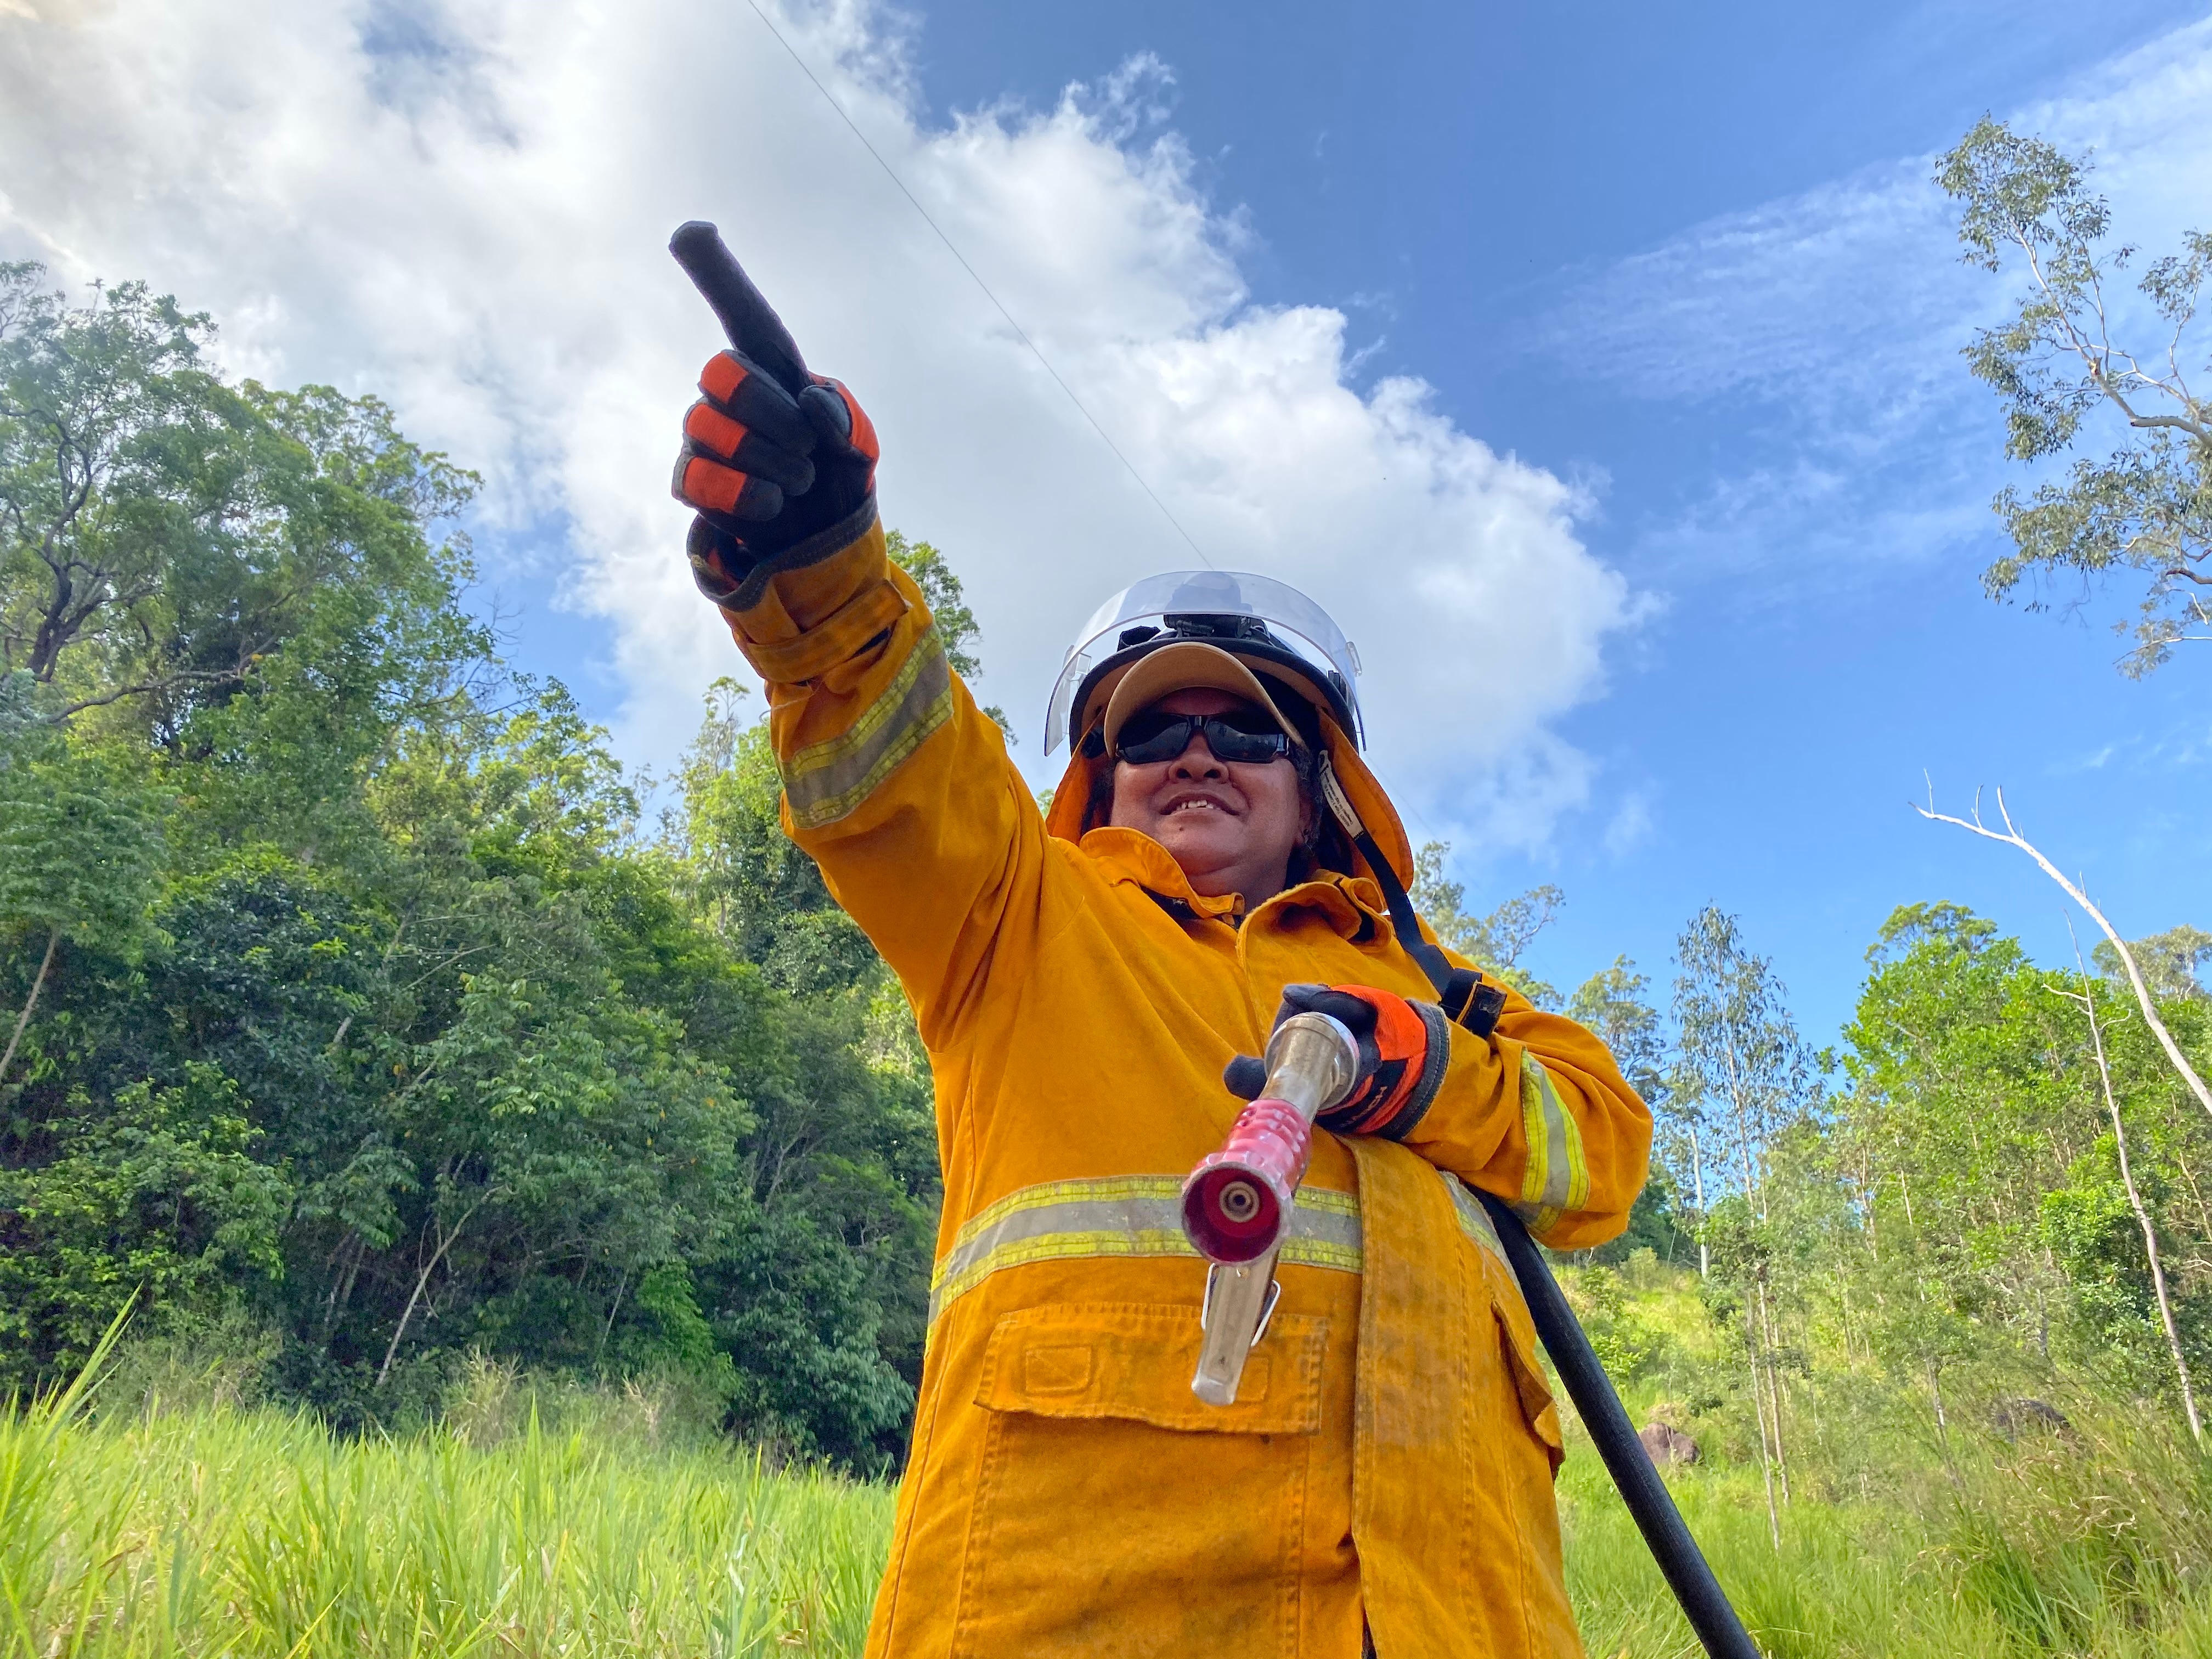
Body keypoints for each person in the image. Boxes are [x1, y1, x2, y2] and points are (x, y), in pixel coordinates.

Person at [669, 267, 1651, 1659]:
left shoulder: (1445, 995)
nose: (1195, 751)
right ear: (1102, 780)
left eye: (1247, 732)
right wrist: (821, 571)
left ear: (1322, 790)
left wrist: (1427, 1070)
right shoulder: (1019, 916)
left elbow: (1600, 1156)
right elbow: (899, 758)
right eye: (1148, 734)